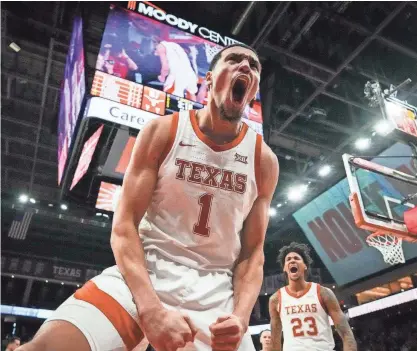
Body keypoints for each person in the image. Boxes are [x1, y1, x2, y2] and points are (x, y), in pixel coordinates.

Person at [18, 43, 279, 351]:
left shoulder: (264, 160)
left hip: (217, 290)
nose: (245, 66)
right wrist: (150, 309)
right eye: (234, 59)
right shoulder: (163, 131)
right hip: (147, 272)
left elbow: (252, 255)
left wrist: (241, 316)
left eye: (253, 65)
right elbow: (124, 225)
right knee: (43, 348)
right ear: (208, 80)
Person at [269, 242, 357, 351]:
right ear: (284, 268)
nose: (292, 260)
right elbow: (275, 340)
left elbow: (346, 333)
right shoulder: (276, 299)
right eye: (288, 259)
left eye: (296, 258)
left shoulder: (323, 293)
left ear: (305, 266)